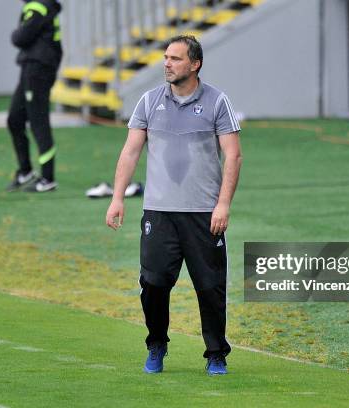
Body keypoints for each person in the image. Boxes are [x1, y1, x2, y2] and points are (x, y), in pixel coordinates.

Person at [105, 35, 242, 375]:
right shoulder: (149, 101)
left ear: (194, 64)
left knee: (210, 287)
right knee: (152, 283)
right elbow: (131, 150)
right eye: (166, 57)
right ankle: (156, 343)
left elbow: (233, 155)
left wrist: (223, 204)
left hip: (203, 214)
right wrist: (118, 197)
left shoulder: (217, 101)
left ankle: (215, 354)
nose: (167, 63)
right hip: (159, 213)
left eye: (175, 58)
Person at [6, 0, 62, 193]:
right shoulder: (42, 5)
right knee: (15, 119)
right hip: (32, 69)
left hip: (36, 70)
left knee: (38, 121)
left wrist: (15, 33)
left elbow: (21, 37)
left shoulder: (36, 6)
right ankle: (25, 171)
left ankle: (47, 178)